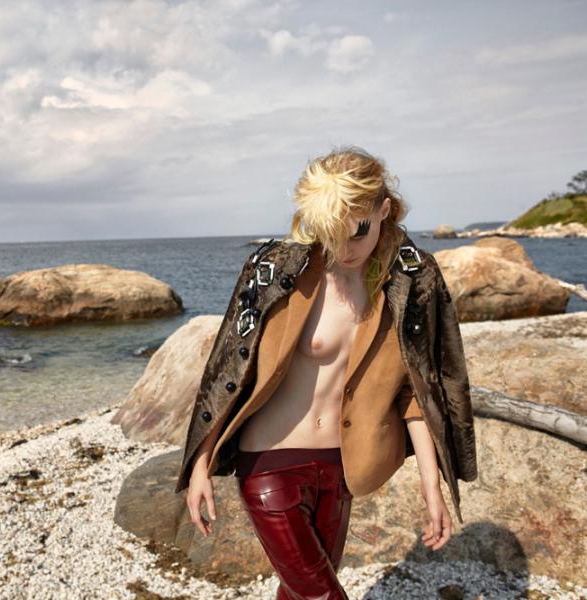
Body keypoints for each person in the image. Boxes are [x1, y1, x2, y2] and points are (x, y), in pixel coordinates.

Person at [183, 146, 458, 600]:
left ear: (384, 209)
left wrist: (433, 486)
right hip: (269, 462)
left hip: (340, 467)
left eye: (357, 233)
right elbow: (229, 368)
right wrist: (200, 465)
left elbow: (416, 390)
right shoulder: (277, 271)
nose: (343, 250)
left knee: (299, 593)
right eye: (329, 232)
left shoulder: (407, 282)